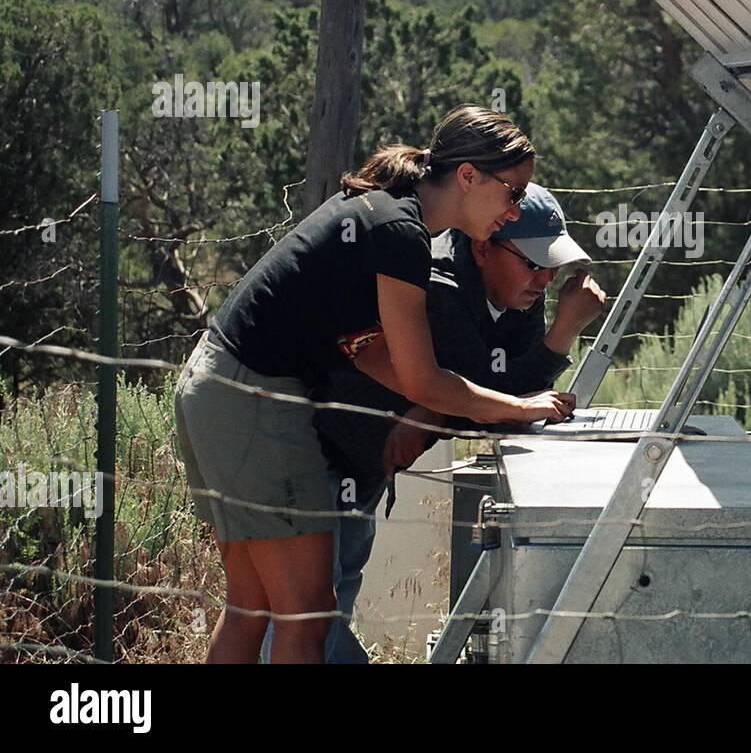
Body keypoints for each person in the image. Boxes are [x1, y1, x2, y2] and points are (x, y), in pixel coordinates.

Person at [173, 104, 574, 664]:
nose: (513, 213)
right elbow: (422, 379)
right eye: (512, 193)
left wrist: (473, 403)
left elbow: (374, 355)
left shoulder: (385, 213)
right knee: (307, 617)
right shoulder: (401, 233)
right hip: (255, 402)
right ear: (467, 176)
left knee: (253, 606)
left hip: (212, 387)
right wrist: (513, 407)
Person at [265, 183, 606, 662]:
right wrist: (563, 333)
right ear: (485, 247)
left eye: (553, 267)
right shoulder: (441, 286)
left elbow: (503, 391)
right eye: (534, 264)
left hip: (362, 459)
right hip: (318, 447)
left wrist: (457, 405)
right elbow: (492, 400)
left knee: (333, 590)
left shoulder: (517, 291)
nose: (547, 280)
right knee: (306, 610)